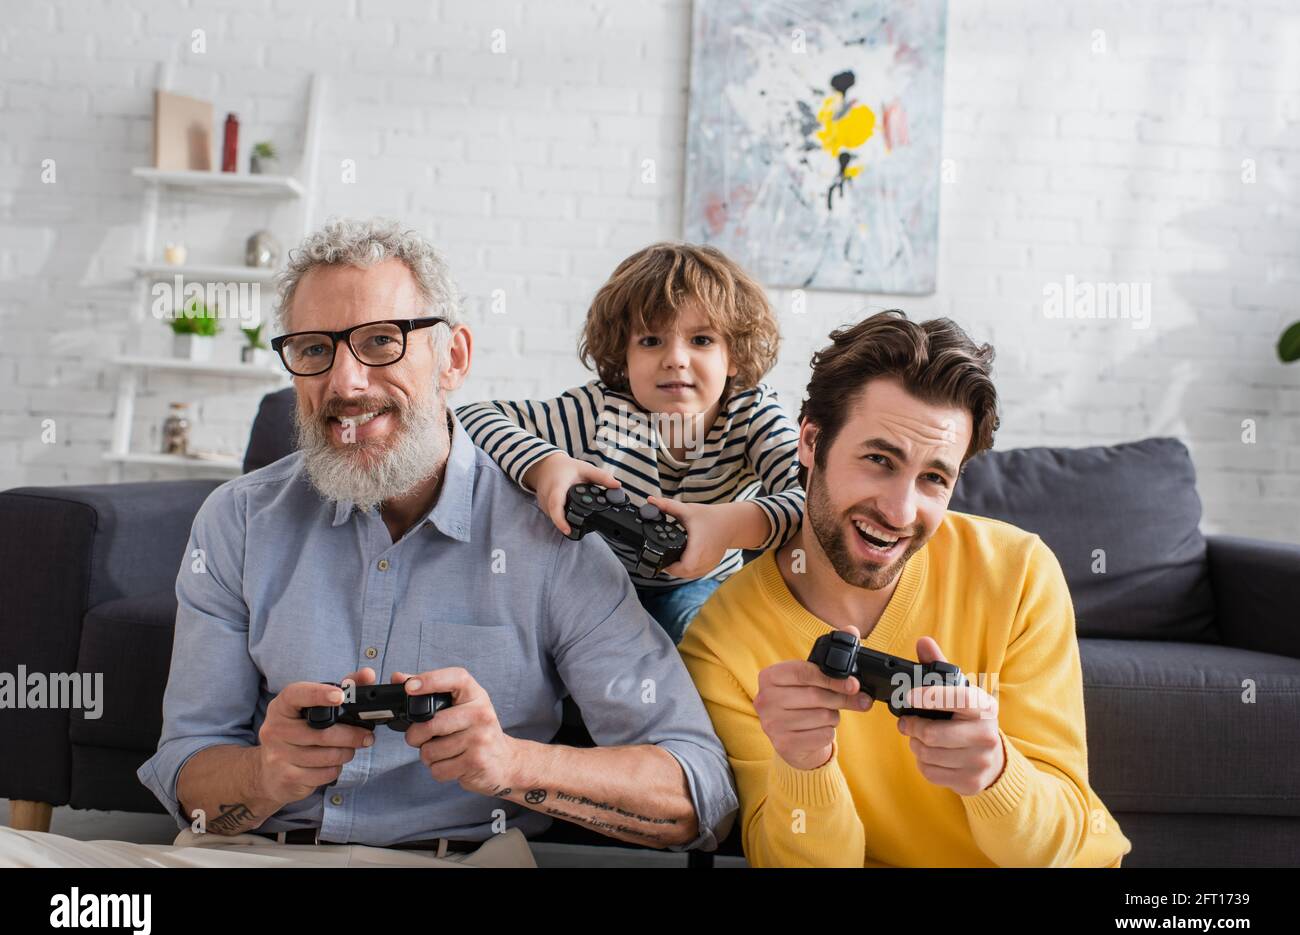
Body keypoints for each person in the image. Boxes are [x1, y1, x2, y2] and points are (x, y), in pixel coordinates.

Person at [0, 218, 737, 868]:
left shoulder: (552, 535)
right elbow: (187, 770)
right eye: (313, 349)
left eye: (383, 341)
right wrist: (268, 772)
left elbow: (696, 791)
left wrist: (507, 763)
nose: (345, 381)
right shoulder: (240, 518)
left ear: (453, 359)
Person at [678, 310, 1132, 867]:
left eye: (934, 478)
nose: (899, 511)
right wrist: (805, 766)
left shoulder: (1019, 573)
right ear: (811, 441)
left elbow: (1056, 849)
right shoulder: (720, 642)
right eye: (878, 460)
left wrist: (995, 775)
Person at [457, 242, 803, 643]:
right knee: (567, 643)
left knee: (708, 641)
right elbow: (471, 418)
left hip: (701, 587)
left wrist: (727, 526)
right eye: (651, 341)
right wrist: (546, 465)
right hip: (603, 581)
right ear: (623, 356)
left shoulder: (752, 414)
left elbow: (810, 497)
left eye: (702, 340)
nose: (676, 358)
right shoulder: (601, 409)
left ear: (735, 356)